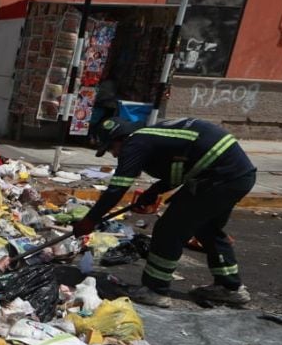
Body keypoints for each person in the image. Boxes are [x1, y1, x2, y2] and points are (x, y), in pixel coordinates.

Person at [73, 116, 257, 308]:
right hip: (237, 175)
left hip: (218, 178)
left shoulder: (135, 144)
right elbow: (179, 169)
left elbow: (117, 188)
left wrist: (90, 220)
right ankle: (230, 288)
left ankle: (155, 290)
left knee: (169, 230)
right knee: (207, 229)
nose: (115, 155)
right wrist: (153, 192)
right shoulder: (153, 138)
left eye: (111, 149)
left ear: (119, 139)